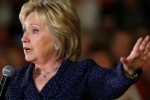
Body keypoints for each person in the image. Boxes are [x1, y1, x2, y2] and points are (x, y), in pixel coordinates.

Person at [5, 0, 150, 99]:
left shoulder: (81, 73)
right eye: (25, 30)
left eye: (34, 30)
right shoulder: (14, 79)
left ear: (58, 39)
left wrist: (127, 71)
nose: (24, 38)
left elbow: (109, 84)